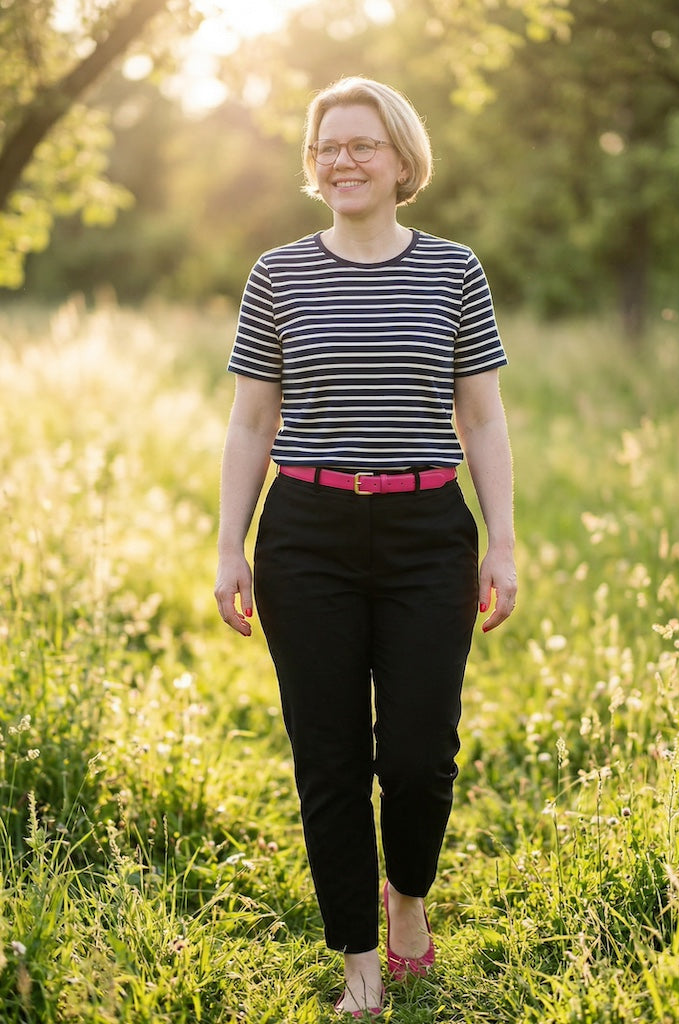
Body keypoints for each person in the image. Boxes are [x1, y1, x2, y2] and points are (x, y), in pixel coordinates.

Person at [215, 76, 517, 1019]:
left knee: (421, 752)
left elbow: (482, 417)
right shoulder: (279, 274)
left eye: (362, 144)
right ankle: (358, 961)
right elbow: (251, 421)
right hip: (307, 535)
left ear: (401, 161)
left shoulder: (454, 270)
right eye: (327, 147)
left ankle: (408, 904)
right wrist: (230, 543)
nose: (342, 160)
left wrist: (502, 540)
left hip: (429, 534)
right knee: (329, 754)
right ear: (314, 166)